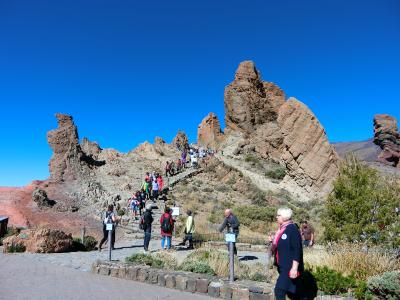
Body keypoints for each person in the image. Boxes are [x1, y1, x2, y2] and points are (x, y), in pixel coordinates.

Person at [269, 207, 304, 300]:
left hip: (289, 267)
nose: (276, 217)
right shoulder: (282, 230)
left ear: (284, 217)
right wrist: (273, 241)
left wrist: (294, 268)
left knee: (279, 291)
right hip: (283, 266)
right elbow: (281, 245)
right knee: (293, 293)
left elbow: (297, 250)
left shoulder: (292, 229)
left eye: (278, 215)